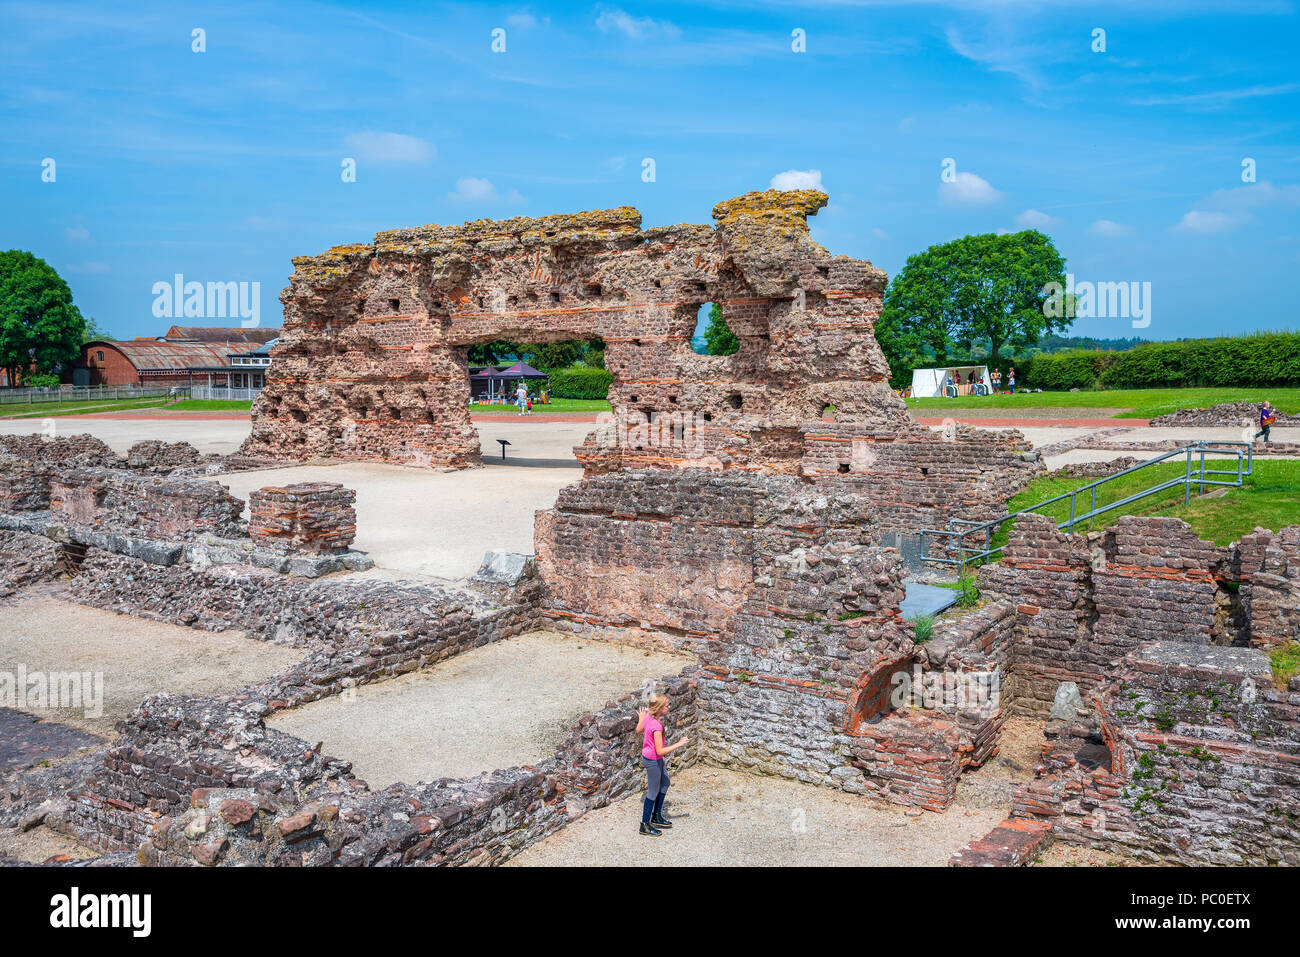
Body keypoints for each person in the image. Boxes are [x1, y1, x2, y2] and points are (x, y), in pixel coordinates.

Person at [636, 692, 688, 836]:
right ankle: (645, 825)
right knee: (653, 791)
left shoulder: (649, 717)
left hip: (653, 758)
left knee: (665, 782)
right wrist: (679, 744)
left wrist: (641, 718)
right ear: (659, 708)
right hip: (652, 760)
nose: (669, 707)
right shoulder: (656, 726)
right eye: (666, 705)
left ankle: (656, 816)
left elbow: (639, 729)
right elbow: (660, 751)